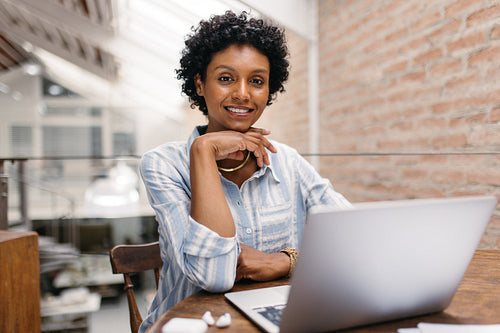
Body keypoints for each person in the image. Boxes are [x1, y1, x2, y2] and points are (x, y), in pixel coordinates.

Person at [139, 11, 351, 332]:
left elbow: (353, 240)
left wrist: (285, 261)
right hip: (188, 325)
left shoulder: (287, 161)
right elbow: (214, 275)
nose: (242, 93)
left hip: (271, 321)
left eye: (256, 81)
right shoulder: (163, 165)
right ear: (199, 83)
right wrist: (204, 150)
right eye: (226, 78)